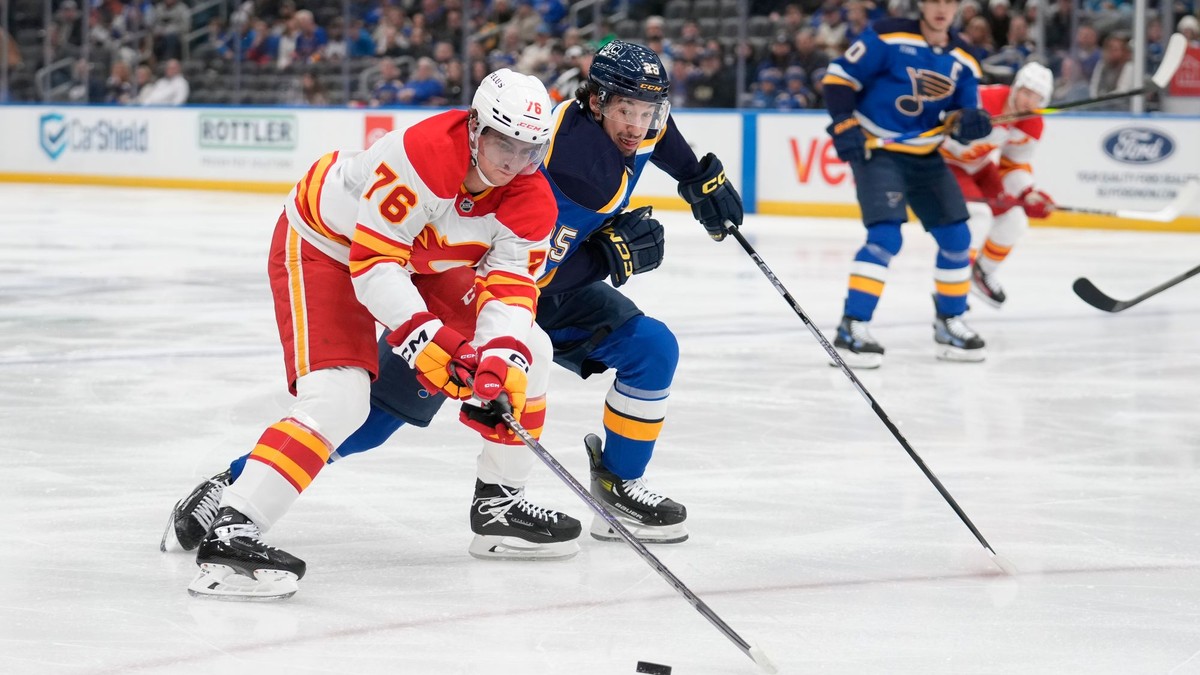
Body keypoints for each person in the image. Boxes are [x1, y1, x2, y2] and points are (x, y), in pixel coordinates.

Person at [163, 40, 744, 554]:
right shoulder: (469, 163)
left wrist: (695, 176)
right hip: (385, 254)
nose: (639, 127)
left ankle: (534, 498)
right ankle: (238, 485)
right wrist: (430, 340)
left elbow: (516, 282)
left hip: (472, 265)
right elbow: (385, 264)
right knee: (363, 409)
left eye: (649, 113)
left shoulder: (543, 174)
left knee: (591, 352)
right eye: (628, 111)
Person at [162, 69, 576, 599]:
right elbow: (374, 264)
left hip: (419, 260)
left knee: (529, 352)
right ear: (475, 127)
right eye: (504, 144)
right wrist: (426, 340)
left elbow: (512, 291)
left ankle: (500, 502)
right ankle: (234, 526)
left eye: (530, 150)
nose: (514, 164)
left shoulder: (531, 198)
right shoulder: (423, 154)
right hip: (327, 246)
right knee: (341, 398)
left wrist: (495, 359)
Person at [821, 0, 994, 369]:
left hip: (926, 156)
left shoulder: (965, 58)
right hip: (878, 151)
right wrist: (843, 122)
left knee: (957, 238)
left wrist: (971, 123)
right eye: (934, 0)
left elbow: (962, 116)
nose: (941, 8)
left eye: (950, 2)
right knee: (886, 237)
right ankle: (852, 327)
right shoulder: (888, 35)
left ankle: (950, 322)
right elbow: (838, 79)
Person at [941, 62, 1056, 307]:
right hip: (945, 163)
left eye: (1036, 98)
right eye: (1025, 93)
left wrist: (1028, 193)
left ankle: (982, 273)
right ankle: (957, 282)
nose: (1028, 102)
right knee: (978, 216)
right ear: (1015, 88)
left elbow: (1013, 164)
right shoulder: (983, 100)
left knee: (1014, 220)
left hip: (979, 166)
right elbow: (943, 120)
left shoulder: (1032, 123)